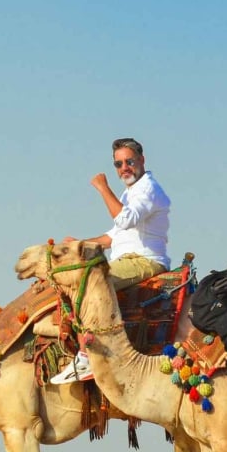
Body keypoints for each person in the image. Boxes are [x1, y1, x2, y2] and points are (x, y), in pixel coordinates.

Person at [52, 137, 171, 384]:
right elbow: (113, 236)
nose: (124, 168)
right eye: (118, 164)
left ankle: (86, 356)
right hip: (126, 258)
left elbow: (124, 220)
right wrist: (79, 245)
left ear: (142, 160)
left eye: (129, 162)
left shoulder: (148, 188)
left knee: (91, 284)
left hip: (143, 260)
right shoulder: (130, 193)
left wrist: (102, 187)